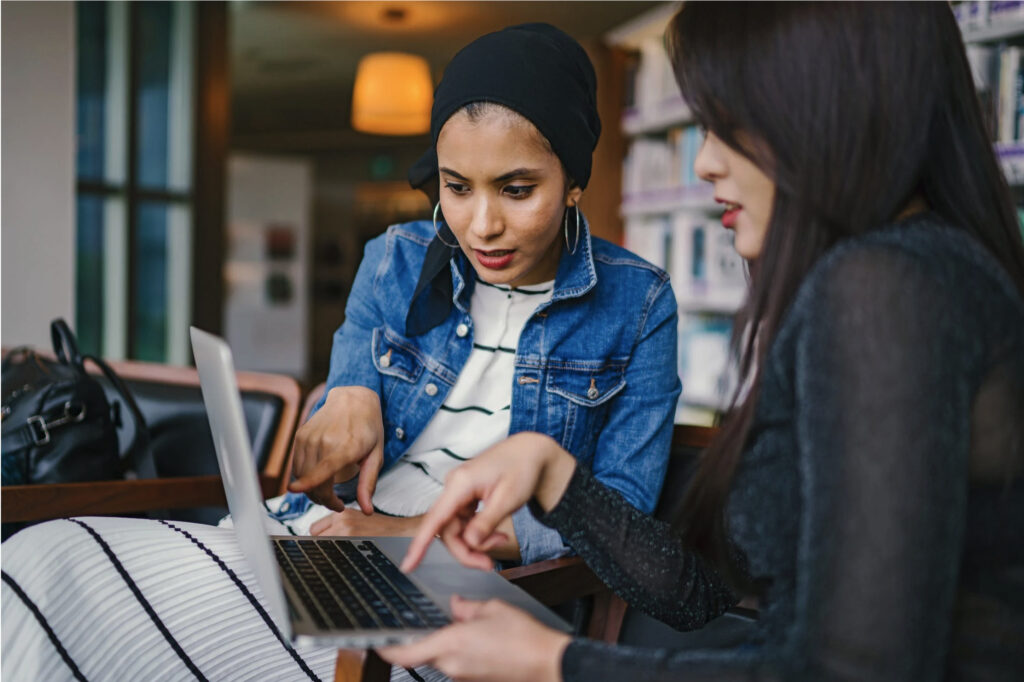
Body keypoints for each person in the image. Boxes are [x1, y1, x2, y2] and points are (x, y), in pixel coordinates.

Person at [1, 23, 681, 682]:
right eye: (456, 186)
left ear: (575, 183)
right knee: (39, 557)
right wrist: (346, 391)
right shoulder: (396, 258)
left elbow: (614, 520)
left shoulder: (639, 304)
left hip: (459, 594)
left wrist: (396, 529)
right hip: (313, 540)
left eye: (517, 189)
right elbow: (335, 425)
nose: (482, 224)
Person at [380, 3, 1024, 680]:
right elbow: (697, 595)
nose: (708, 162)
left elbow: (854, 671)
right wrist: (555, 474)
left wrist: (554, 664)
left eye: (727, 126)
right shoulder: (909, 274)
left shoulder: (886, 288)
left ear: (825, 107)